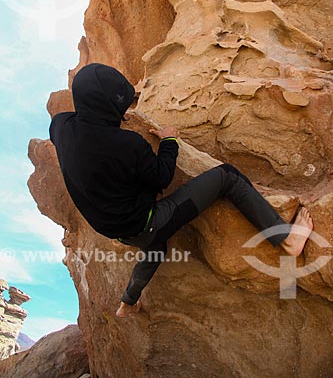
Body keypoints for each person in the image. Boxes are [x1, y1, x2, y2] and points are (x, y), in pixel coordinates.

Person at [49, 63, 313, 318]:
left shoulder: (60, 127)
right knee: (228, 177)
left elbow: (88, 134)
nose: (126, 111)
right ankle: (287, 241)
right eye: (122, 105)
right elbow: (162, 177)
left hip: (112, 229)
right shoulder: (128, 144)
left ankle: (128, 302)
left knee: (156, 247)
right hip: (146, 223)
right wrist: (169, 140)